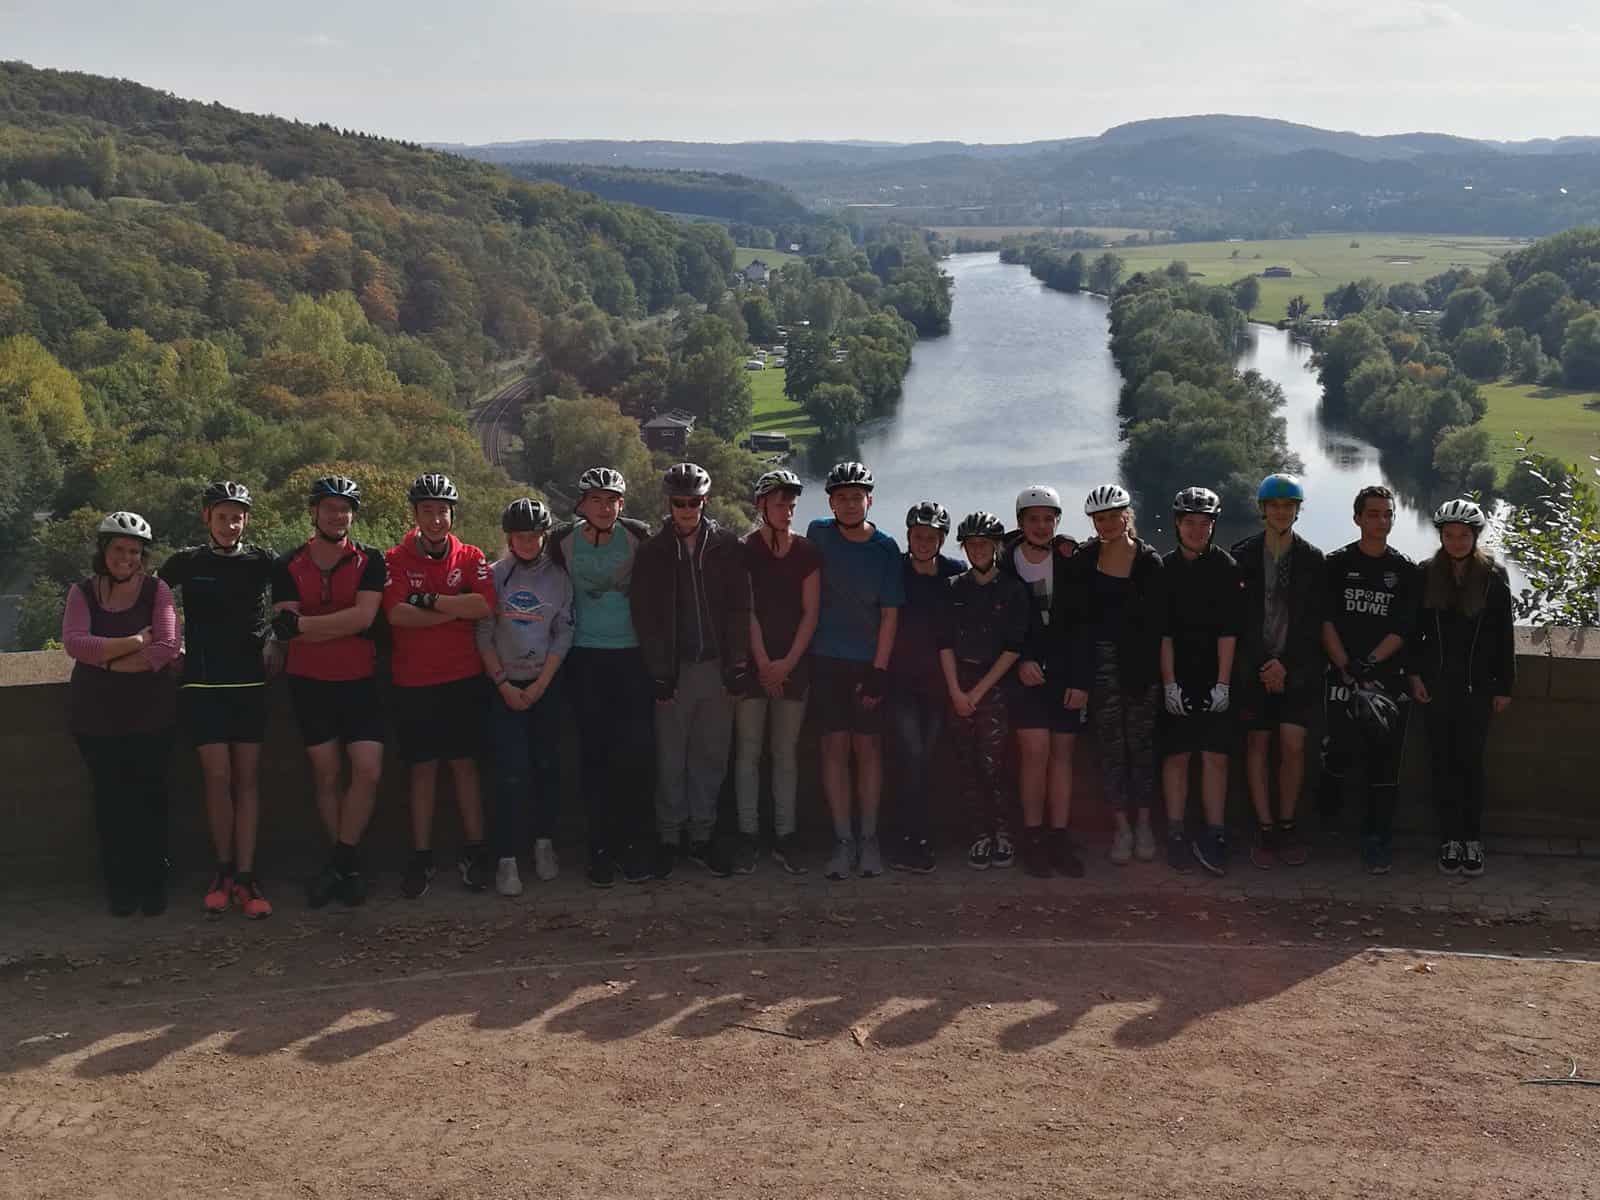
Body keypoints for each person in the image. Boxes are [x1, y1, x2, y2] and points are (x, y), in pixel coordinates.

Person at [160, 481, 277, 919]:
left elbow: (290, 601)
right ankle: (223, 871)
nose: (230, 525)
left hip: (249, 682)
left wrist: (276, 640)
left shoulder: (262, 560)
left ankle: (247, 875)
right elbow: (153, 601)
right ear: (206, 516)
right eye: (223, 516)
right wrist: (171, 644)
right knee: (216, 778)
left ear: (247, 520)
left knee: (247, 781)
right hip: (203, 684)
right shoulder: (186, 562)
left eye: (237, 517)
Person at [270, 475, 386, 909]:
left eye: (345, 509)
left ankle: (340, 861)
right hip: (309, 682)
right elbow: (289, 632)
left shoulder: (370, 559)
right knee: (327, 775)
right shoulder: (287, 563)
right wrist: (338, 624)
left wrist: (305, 624)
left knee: (368, 771)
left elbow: (363, 618)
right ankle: (346, 869)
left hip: (360, 680)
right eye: (329, 507)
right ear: (314, 511)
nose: (337, 515)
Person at [631, 463, 752, 878]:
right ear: (669, 504)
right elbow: (645, 617)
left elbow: (740, 608)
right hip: (675, 671)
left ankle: (701, 836)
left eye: (694, 502)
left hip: (716, 667)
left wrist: (738, 663)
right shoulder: (652, 551)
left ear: (705, 502)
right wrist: (659, 672)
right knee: (670, 759)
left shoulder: (727, 546)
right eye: (679, 503)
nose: (686, 510)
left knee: (710, 757)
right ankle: (669, 838)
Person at [383, 473, 496, 899]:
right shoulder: (395, 558)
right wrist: (455, 611)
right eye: (427, 511)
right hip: (414, 681)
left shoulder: (471, 555)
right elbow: (395, 614)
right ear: (415, 514)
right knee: (423, 770)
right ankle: (421, 855)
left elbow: (484, 605)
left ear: (452, 515)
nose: (435, 519)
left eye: (442, 511)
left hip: (463, 678)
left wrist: (429, 602)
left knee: (466, 767)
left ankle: (476, 851)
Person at [62, 512, 180, 916]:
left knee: (151, 799)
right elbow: (75, 644)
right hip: (95, 717)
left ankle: (153, 883)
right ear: (104, 551)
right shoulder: (81, 592)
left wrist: (107, 660)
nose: (126, 558)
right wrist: (133, 641)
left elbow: (166, 647)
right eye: (118, 549)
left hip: (151, 715)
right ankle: (120, 884)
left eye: (134, 551)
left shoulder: (157, 591)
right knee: (111, 802)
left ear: (143, 556)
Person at [547, 465, 657, 887]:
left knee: (634, 756)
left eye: (612, 500)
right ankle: (599, 848)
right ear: (582, 504)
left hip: (631, 657)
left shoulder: (638, 537)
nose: (605, 507)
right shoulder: (562, 541)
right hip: (584, 658)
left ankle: (632, 845)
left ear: (622, 504)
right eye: (596, 499)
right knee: (593, 757)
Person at [807, 461, 905, 880]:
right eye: (842, 497)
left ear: (870, 500)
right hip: (826, 659)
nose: (850, 504)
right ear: (831, 502)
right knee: (833, 749)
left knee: (868, 751)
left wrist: (879, 671)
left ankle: (869, 839)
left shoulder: (885, 548)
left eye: (857, 497)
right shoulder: (819, 534)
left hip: (867, 662)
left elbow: (890, 614)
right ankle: (842, 839)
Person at [1058, 485, 1165, 864]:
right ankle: (1121, 828)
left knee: (1142, 747)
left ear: (1126, 515)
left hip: (1140, 668)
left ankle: (1145, 825)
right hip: (1099, 667)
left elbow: (1159, 626)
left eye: (1112, 517)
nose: (1105, 524)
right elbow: (1073, 624)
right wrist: (1079, 678)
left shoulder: (1149, 561)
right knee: (1110, 749)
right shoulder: (1083, 560)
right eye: (1098, 519)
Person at [1409, 499, 1515, 878]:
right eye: (1450, 535)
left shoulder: (1493, 577)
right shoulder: (1426, 574)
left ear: (1475, 537)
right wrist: (1414, 675)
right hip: (1436, 688)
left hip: (1477, 689)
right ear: (1441, 536)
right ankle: (1449, 838)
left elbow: (1504, 636)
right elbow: (1414, 632)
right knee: (1441, 765)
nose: (1456, 541)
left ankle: (1472, 838)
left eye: (1464, 535)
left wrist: (1504, 686)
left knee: (1470, 765)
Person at [1317, 484, 1418, 875]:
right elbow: (1325, 621)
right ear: (1357, 518)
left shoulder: (1405, 570)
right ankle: (1326, 825)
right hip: (1341, 677)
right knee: (1338, 753)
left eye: (1387, 514)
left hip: (1386, 680)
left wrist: (1370, 663)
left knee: (1385, 765)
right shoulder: (1336, 564)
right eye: (1373, 514)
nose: (1381, 521)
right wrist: (1346, 666)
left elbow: (1403, 628)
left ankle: (1378, 839)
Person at [477, 498, 575, 896]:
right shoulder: (494, 575)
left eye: (535, 535)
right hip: (503, 685)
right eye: (521, 536)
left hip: (544, 684)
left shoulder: (559, 577)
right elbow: (483, 635)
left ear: (544, 536)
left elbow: (563, 633)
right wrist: (503, 684)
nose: (529, 542)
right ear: (509, 538)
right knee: (509, 773)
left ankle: (544, 843)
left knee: (547, 767)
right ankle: (506, 858)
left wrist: (540, 685)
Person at [1231, 473, 1324, 869]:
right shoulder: (1242, 555)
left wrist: (1285, 665)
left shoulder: (1313, 559)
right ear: (1263, 509)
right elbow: (1237, 620)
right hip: (1253, 668)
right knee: (1257, 744)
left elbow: (1313, 624)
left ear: (1297, 511)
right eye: (1275, 506)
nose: (1281, 512)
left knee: (1292, 745)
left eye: (1288, 506)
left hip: (1295, 669)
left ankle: (1287, 824)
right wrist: (1262, 664)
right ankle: (1265, 827)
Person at [736, 469, 821, 874]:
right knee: (748, 752)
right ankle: (748, 834)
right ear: (762, 506)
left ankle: (786, 835)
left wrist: (786, 663)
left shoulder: (807, 552)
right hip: (755, 664)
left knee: (786, 753)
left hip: (793, 665)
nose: (787, 511)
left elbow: (811, 612)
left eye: (791, 505)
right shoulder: (745, 550)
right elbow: (746, 609)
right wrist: (764, 663)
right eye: (779, 504)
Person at [1000, 484, 1085, 877]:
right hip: (1026, 675)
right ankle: (1033, 837)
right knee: (1035, 755)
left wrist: (1081, 680)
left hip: (1066, 674)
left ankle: (1059, 837)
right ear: (1020, 522)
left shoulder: (1071, 561)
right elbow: (1000, 623)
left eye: (1048, 519)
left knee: (1063, 756)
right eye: (1033, 519)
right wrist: (1020, 662)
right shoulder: (1005, 562)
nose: (1041, 526)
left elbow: (1085, 625)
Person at [1158, 487, 1243, 875]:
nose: (1196, 530)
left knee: (1214, 756)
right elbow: (1163, 634)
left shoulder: (1226, 567)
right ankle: (1175, 833)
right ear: (1177, 524)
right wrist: (1169, 684)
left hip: (1214, 673)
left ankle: (1215, 833)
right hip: (1178, 673)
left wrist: (1223, 684)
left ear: (1213, 526)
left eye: (1204, 523)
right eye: (1189, 522)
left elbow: (1229, 631)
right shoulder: (1164, 569)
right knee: (1176, 756)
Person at [940, 512, 1030, 871]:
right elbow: (944, 644)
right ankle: (978, 834)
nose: (977, 550)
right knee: (967, 765)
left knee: (995, 764)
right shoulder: (952, 588)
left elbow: (1013, 648)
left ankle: (1003, 833)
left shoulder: (1013, 589)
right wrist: (955, 691)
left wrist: (976, 694)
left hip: (993, 684)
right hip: (957, 682)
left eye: (984, 544)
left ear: (996, 547)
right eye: (971, 544)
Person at [885, 501, 964, 874]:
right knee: (911, 756)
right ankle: (910, 836)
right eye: (918, 536)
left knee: (926, 761)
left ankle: (917, 836)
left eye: (931, 537)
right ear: (908, 536)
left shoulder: (955, 573)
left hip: (937, 685)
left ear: (942, 540)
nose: (923, 543)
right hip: (899, 682)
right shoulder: (895, 571)